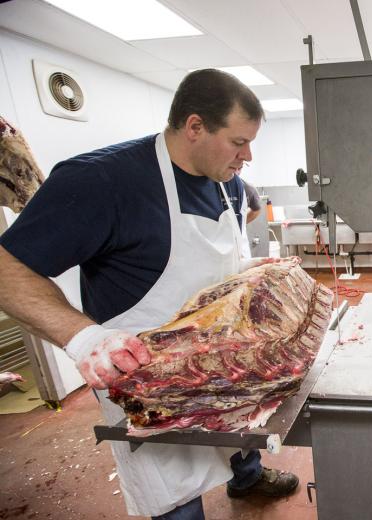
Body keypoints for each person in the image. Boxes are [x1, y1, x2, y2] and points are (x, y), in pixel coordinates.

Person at [0, 69, 298, 519]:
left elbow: (215, 259)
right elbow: (8, 268)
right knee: (175, 488)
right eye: (239, 142)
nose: (248, 155)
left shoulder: (228, 181)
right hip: (152, 373)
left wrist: (253, 271)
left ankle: (248, 476)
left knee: (241, 427)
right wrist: (85, 339)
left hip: (224, 353)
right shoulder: (102, 180)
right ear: (195, 127)